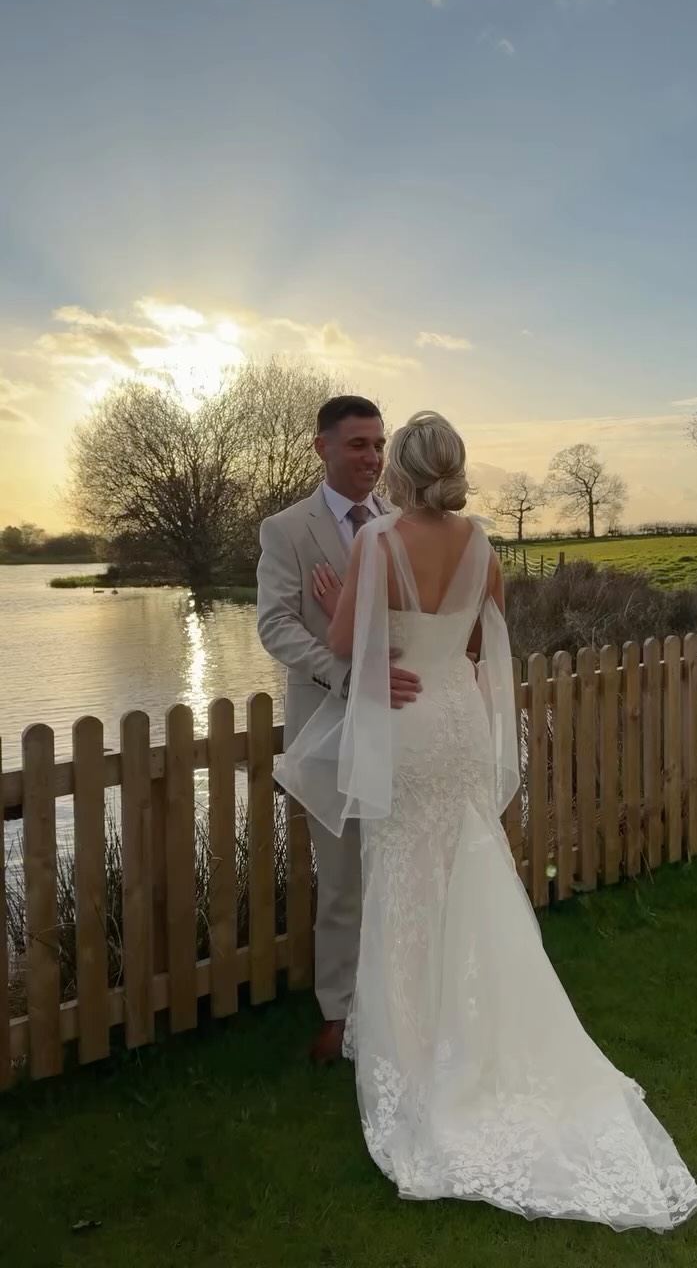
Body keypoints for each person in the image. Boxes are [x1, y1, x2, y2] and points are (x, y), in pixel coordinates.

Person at [274, 412, 697, 1231]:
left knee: (402, 881)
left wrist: (344, 603)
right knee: (467, 870)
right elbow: (479, 643)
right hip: (460, 725)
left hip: (405, 731)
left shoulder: (377, 544)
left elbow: (346, 644)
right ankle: (483, 1024)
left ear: (398, 468)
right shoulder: (482, 546)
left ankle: (415, 1041)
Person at [256, 395, 421, 1065]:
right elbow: (274, 625)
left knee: (398, 866)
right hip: (328, 726)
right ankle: (339, 1014)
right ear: (322, 447)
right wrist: (346, 674)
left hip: (403, 723)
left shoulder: (400, 523)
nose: (374, 458)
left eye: (379, 445)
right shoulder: (286, 530)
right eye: (358, 445)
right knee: (344, 876)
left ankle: (400, 1000)